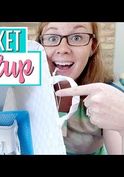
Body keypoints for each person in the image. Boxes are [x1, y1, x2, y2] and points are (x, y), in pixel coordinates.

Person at [35, 22, 122, 154]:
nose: (63, 49)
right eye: (52, 38)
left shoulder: (104, 97)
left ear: (92, 46)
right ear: (40, 46)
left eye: (77, 37)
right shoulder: (24, 92)